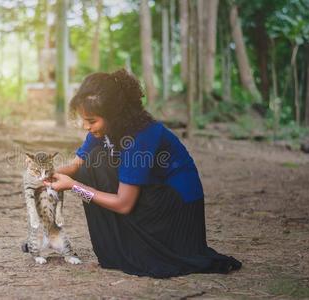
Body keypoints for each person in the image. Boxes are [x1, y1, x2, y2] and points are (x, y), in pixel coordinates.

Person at [44, 69, 242, 278]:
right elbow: (76, 166)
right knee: (90, 164)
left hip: (177, 211)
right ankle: (119, 247)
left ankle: (139, 249)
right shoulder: (104, 130)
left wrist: (73, 186)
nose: (86, 126)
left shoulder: (141, 136)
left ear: (114, 115)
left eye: (91, 120)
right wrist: (47, 174)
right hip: (153, 198)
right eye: (84, 120)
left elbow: (124, 203)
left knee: (95, 165)